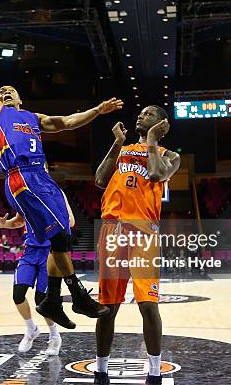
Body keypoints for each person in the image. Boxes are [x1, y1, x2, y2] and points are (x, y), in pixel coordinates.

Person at [0, 27, 121, 328]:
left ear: (20, 99)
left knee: (60, 240)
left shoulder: (34, 118)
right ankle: (77, 296)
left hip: (42, 176)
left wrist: (98, 110)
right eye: (2, 91)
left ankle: (51, 300)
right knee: (61, 237)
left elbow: (68, 122)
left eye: (10, 90)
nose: (4, 92)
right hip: (22, 176)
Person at [93, 107, 181, 385]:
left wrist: (152, 141)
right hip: (111, 230)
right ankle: (100, 370)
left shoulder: (170, 155)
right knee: (108, 306)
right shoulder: (124, 148)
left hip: (143, 232)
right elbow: (99, 180)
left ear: (162, 123)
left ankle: (154, 372)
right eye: (140, 113)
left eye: (148, 114)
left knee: (147, 304)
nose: (140, 116)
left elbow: (155, 175)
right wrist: (117, 143)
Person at [0, 186, 75, 356]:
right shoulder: (23, 193)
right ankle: (31, 329)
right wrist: (5, 224)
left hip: (50, 252)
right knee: (18, 294)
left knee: (42, 299)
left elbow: (71, 220)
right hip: (30, 252)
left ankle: (54, 336)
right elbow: (19, 220)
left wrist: (49, 222)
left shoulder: (57, 193)